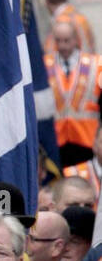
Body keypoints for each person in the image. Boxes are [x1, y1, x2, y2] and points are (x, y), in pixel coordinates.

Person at [43, 21, 102, 164]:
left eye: (67, 40)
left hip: (87, 141)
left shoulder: (97, 64)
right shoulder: (44, 65)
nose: (62, 45)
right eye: (58, 41)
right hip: (55, 143)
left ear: (76, 39)